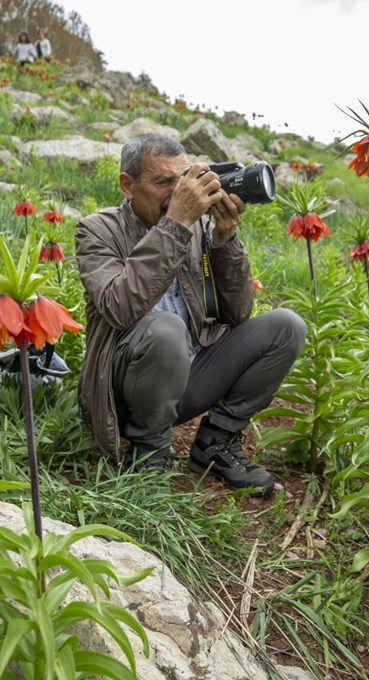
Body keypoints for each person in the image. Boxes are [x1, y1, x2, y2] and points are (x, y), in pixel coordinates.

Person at [75, 134, 306, 497]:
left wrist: (225, 239)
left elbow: (239, 314)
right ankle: (147, 456)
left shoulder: (197, 226)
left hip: (188, 375)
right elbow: (120, 308)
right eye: (162, 182)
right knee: (166, 328)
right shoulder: (98, 230)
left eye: (182, 179)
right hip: (122, 390)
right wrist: (176, 225)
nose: (176, 191)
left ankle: (215, 443)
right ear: (127, 185)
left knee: (286, 327)